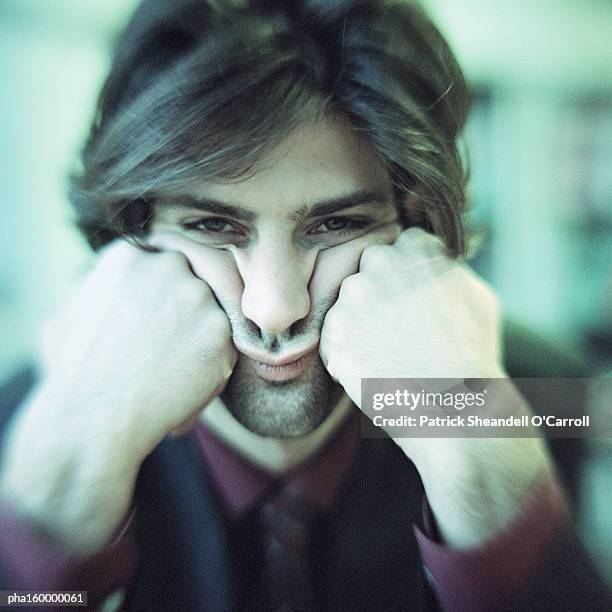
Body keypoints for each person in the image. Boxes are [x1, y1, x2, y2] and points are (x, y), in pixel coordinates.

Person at [0, 1, 610, 610]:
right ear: (131, 231)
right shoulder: (20, 418)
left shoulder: (547, 390)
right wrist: (59, 494)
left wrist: (484, 460)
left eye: (337, 224)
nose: (274, 309)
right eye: (213, 225)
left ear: (421, 226)